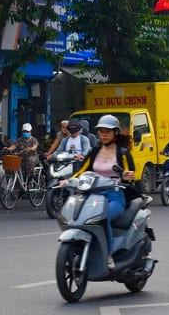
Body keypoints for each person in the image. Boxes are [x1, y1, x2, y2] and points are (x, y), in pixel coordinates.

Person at [63, 115, 135, 270]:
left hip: (115, 196)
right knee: (80, 218)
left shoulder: (122, 153)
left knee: (102, 218)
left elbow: (129, 174)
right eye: (101, 131)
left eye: (107, 131)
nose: (104, 134)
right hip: (93, 195)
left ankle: (108, 255)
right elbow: (82, 171)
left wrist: (126, 176)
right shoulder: (94, 151)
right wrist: (67, 181)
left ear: (115, 133)